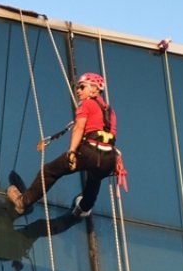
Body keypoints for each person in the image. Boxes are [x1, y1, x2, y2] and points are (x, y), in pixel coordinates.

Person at [7, 72, 118, 217]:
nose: (78, 91)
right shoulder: (110, 111)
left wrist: (71, 151)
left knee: (49, 171)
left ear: (95, 89)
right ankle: (84, 208)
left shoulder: (87, 104)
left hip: (90, 151)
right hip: (109, 158)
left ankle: (24, 202)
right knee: (94, 177)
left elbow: (79, 127)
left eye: (82, 87)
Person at [0, 170, 80, 271]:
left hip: (7, 244)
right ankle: (74, 217)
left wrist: (17, 185)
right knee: (38, 227)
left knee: (38, 226)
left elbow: (26, 209)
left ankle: (74, 217)